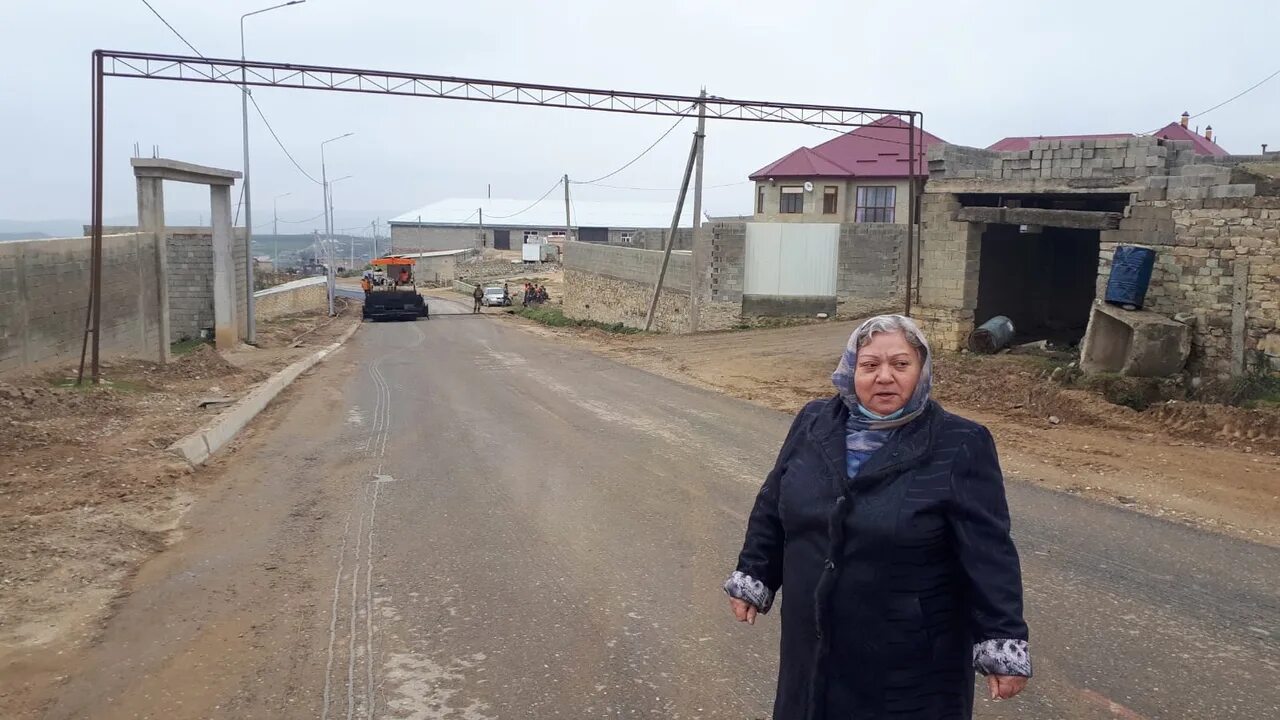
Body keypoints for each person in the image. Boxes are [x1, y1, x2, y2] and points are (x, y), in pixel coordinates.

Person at [724, 314, 1030, 719]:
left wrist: (1001, 638)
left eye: (900, 364)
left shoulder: (961, 443)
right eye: (870, 365)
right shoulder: (815, 422)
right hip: (812, 639)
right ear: (852, 370)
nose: (884, 377)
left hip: (908, 654)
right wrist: (756, 572)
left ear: (921, 370)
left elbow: (989, 552)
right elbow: (775, 504)